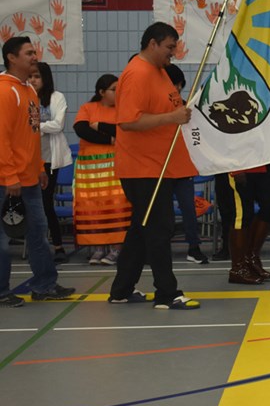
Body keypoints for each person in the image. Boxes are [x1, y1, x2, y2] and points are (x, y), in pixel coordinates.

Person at [108, 22, 199, 310]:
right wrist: (171, 118)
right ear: (153, 44)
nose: (174, 53)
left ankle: (121, 290)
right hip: (143, 168)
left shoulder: (159, 72)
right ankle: (166, 294)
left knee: (141, 228)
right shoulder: (137, 74)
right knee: (159, 229)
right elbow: (128, 121)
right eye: (170, 47)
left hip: (160, 165)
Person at [0, 37, 74, 307]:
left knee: (38, 233)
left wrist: (40, 167)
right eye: (29, 52)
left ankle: (45, 284)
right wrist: (10, 176)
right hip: (7, 180)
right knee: (3, 240)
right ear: (12, 57)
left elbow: (31, 137)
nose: (35, 56)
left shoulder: (29, 90)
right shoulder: (5, 91)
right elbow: (2, 139)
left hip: (29, 178)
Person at [73, 74, 130, 265]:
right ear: (101, 92)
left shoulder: (123, 110)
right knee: (92, 206)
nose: (118, 93)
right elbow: (82, 130)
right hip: (90, 168)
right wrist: (109, 139)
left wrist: (100, 127)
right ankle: (97, 247)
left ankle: (116, 248)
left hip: (115, 166)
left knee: (116, 205)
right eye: (114, 90)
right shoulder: (88, 108)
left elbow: (123, 131)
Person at [27, 62, 72, 264]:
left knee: (46, 204)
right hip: (28, 160)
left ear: (45, 77)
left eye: (36, 76)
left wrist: (35, 126)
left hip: (49, 160)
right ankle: (37, 246)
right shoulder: (24, 97)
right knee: (31, 205)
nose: (32, 80)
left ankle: (58, 246)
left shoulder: (56, 97)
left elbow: (58, 125)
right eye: (30, 76)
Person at [165, 64, 208, 264]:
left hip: (183, 167)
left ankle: (194, 247)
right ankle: (160, 248)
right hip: (161, 167)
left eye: (176, 85)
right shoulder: (159, 107)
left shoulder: (186, 107)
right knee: (163, 213)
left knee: (188, 209)